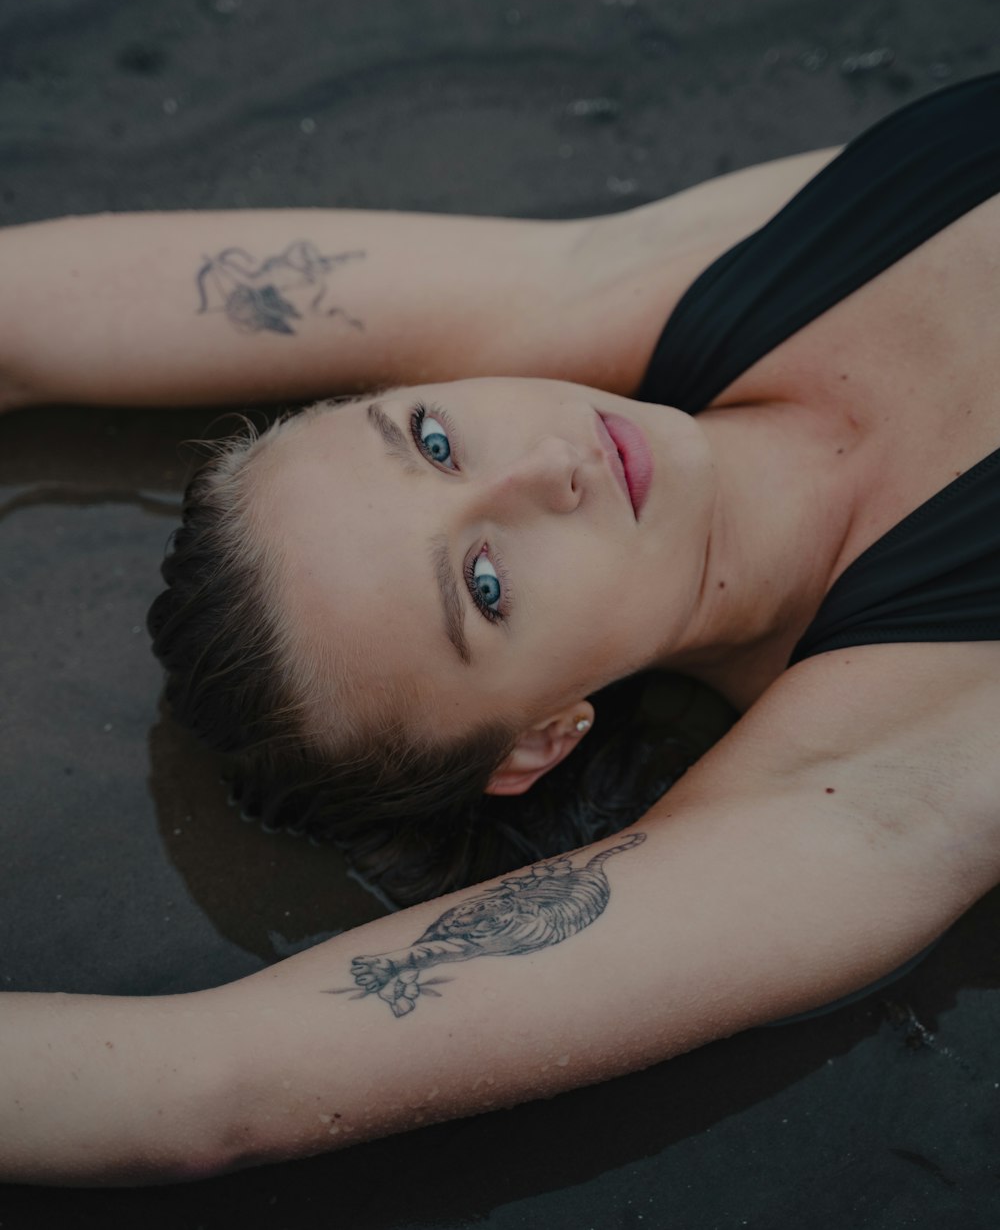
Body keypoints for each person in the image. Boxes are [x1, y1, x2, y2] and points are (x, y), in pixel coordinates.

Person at [1, 74, 998, 1186]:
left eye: (429, 439)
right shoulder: (871, 782)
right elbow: (203, 1086)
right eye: (484, 583)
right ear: (538, 741)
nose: (547, 465)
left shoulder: (605, 291)